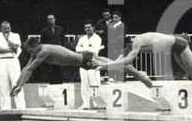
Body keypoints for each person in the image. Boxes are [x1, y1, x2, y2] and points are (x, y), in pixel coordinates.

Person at [12, 40, 153, 98]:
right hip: (83, 59)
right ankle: (140, 75)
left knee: (117, 66)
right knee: (116, 65)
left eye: (31, 51)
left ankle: (140, 76)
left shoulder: (43, 52)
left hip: (85, 60)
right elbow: (26, 68)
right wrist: (16, 84)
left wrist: (20, 86)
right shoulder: (39, 50)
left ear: (35, 47)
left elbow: (30, 70)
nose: (31, 54)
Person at [106, 32, 192, 82]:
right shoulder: (128, 46)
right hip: (174, 50)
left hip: (180, 45)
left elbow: (127, 60)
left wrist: (104, 65)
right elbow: (117, 61)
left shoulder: (136, 42)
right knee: (179, 76)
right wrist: (103, 66)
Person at [0, 21, 26, 110]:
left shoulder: (15, 35)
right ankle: (5, 108)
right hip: (1, 62)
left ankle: (21, 107)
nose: (6, 30)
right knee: (3, 86)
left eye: (8, 28)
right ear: (1, 29)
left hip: (13, 61)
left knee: (16, 84)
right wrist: (10, 50)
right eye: (4, 28)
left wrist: (7, 40)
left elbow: (15, 47)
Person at [75, 21, 103, 109]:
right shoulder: (82, 38)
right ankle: (85, 104)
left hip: (93, 62)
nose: (87, 29)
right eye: (86, 27)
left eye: (89, 27)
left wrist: (84, 48)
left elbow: (95, 50)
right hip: (83, 63)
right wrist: (88, 48)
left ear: (93, 27)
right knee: (84, 84)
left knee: (94, 83)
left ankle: (97, 103)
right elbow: (77, 49)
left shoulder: (97, 38)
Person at [38, 14, 67, 84]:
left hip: (59, 53)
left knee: (60, 69)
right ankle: (52, 86)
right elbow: (42, 43)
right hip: (50, 54)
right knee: (51, 71)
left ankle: (60, 85)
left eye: (52, 19)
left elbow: (63, 42)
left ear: (55, 19)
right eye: (49, 19)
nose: (51, 20)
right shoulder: (44, 31)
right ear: (47, 21)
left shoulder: (60, 30)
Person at [105, 11, 126, 82]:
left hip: (118, 47)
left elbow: (120, 38)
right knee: (111, 61)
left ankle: (120, 77)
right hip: (111, 47)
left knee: (119, 62)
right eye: (113, 17)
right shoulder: (112, 26)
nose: (114, 19)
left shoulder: (121, 26)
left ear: (120, 18)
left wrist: (116, 47)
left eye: (116, 17)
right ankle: (111, 76)